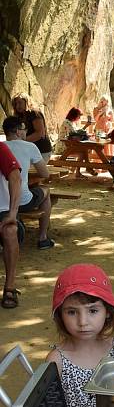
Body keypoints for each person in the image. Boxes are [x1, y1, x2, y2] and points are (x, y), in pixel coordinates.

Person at [46, 263, 114, 407]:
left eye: (93, 310)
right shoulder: (56, 361)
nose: (83, 322)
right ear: (60, 315)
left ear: (107, 312)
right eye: (72, 312)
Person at [3, 116, 54, 249]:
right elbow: (45, 174)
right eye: (25, 129)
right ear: (18, 131)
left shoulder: (2, 147)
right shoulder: (30, 147)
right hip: (22, 201)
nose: (26, 132)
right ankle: (43, 237)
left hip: (2, 203)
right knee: (46, 191)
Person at [0, 142, 21, 309]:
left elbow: (15, 177)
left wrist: (12, 213)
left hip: (2, 210)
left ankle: (10, 287)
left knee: (10, 231)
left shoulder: (1, 148)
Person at [55, 107, 96, 177]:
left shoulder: (71, 123)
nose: (79, 118)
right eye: (79, 116)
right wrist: (85, 128)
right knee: (84, 150)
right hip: (63, 145)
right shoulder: (66, 122)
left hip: (69, 145)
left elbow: (76, 133)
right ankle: (87, 168)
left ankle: (81, 171)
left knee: (84, 151)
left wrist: (86, 127)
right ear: (74, 115)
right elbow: (74, 134)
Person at [12, 93, 53, 163]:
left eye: (19, 103)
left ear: (26, 102)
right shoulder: (20, 116)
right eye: (15, 104)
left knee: (34, 173)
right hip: (29, 150)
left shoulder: (34, 113)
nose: (17, 106)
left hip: (41, 151)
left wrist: (22, 142)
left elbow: (39, 133)